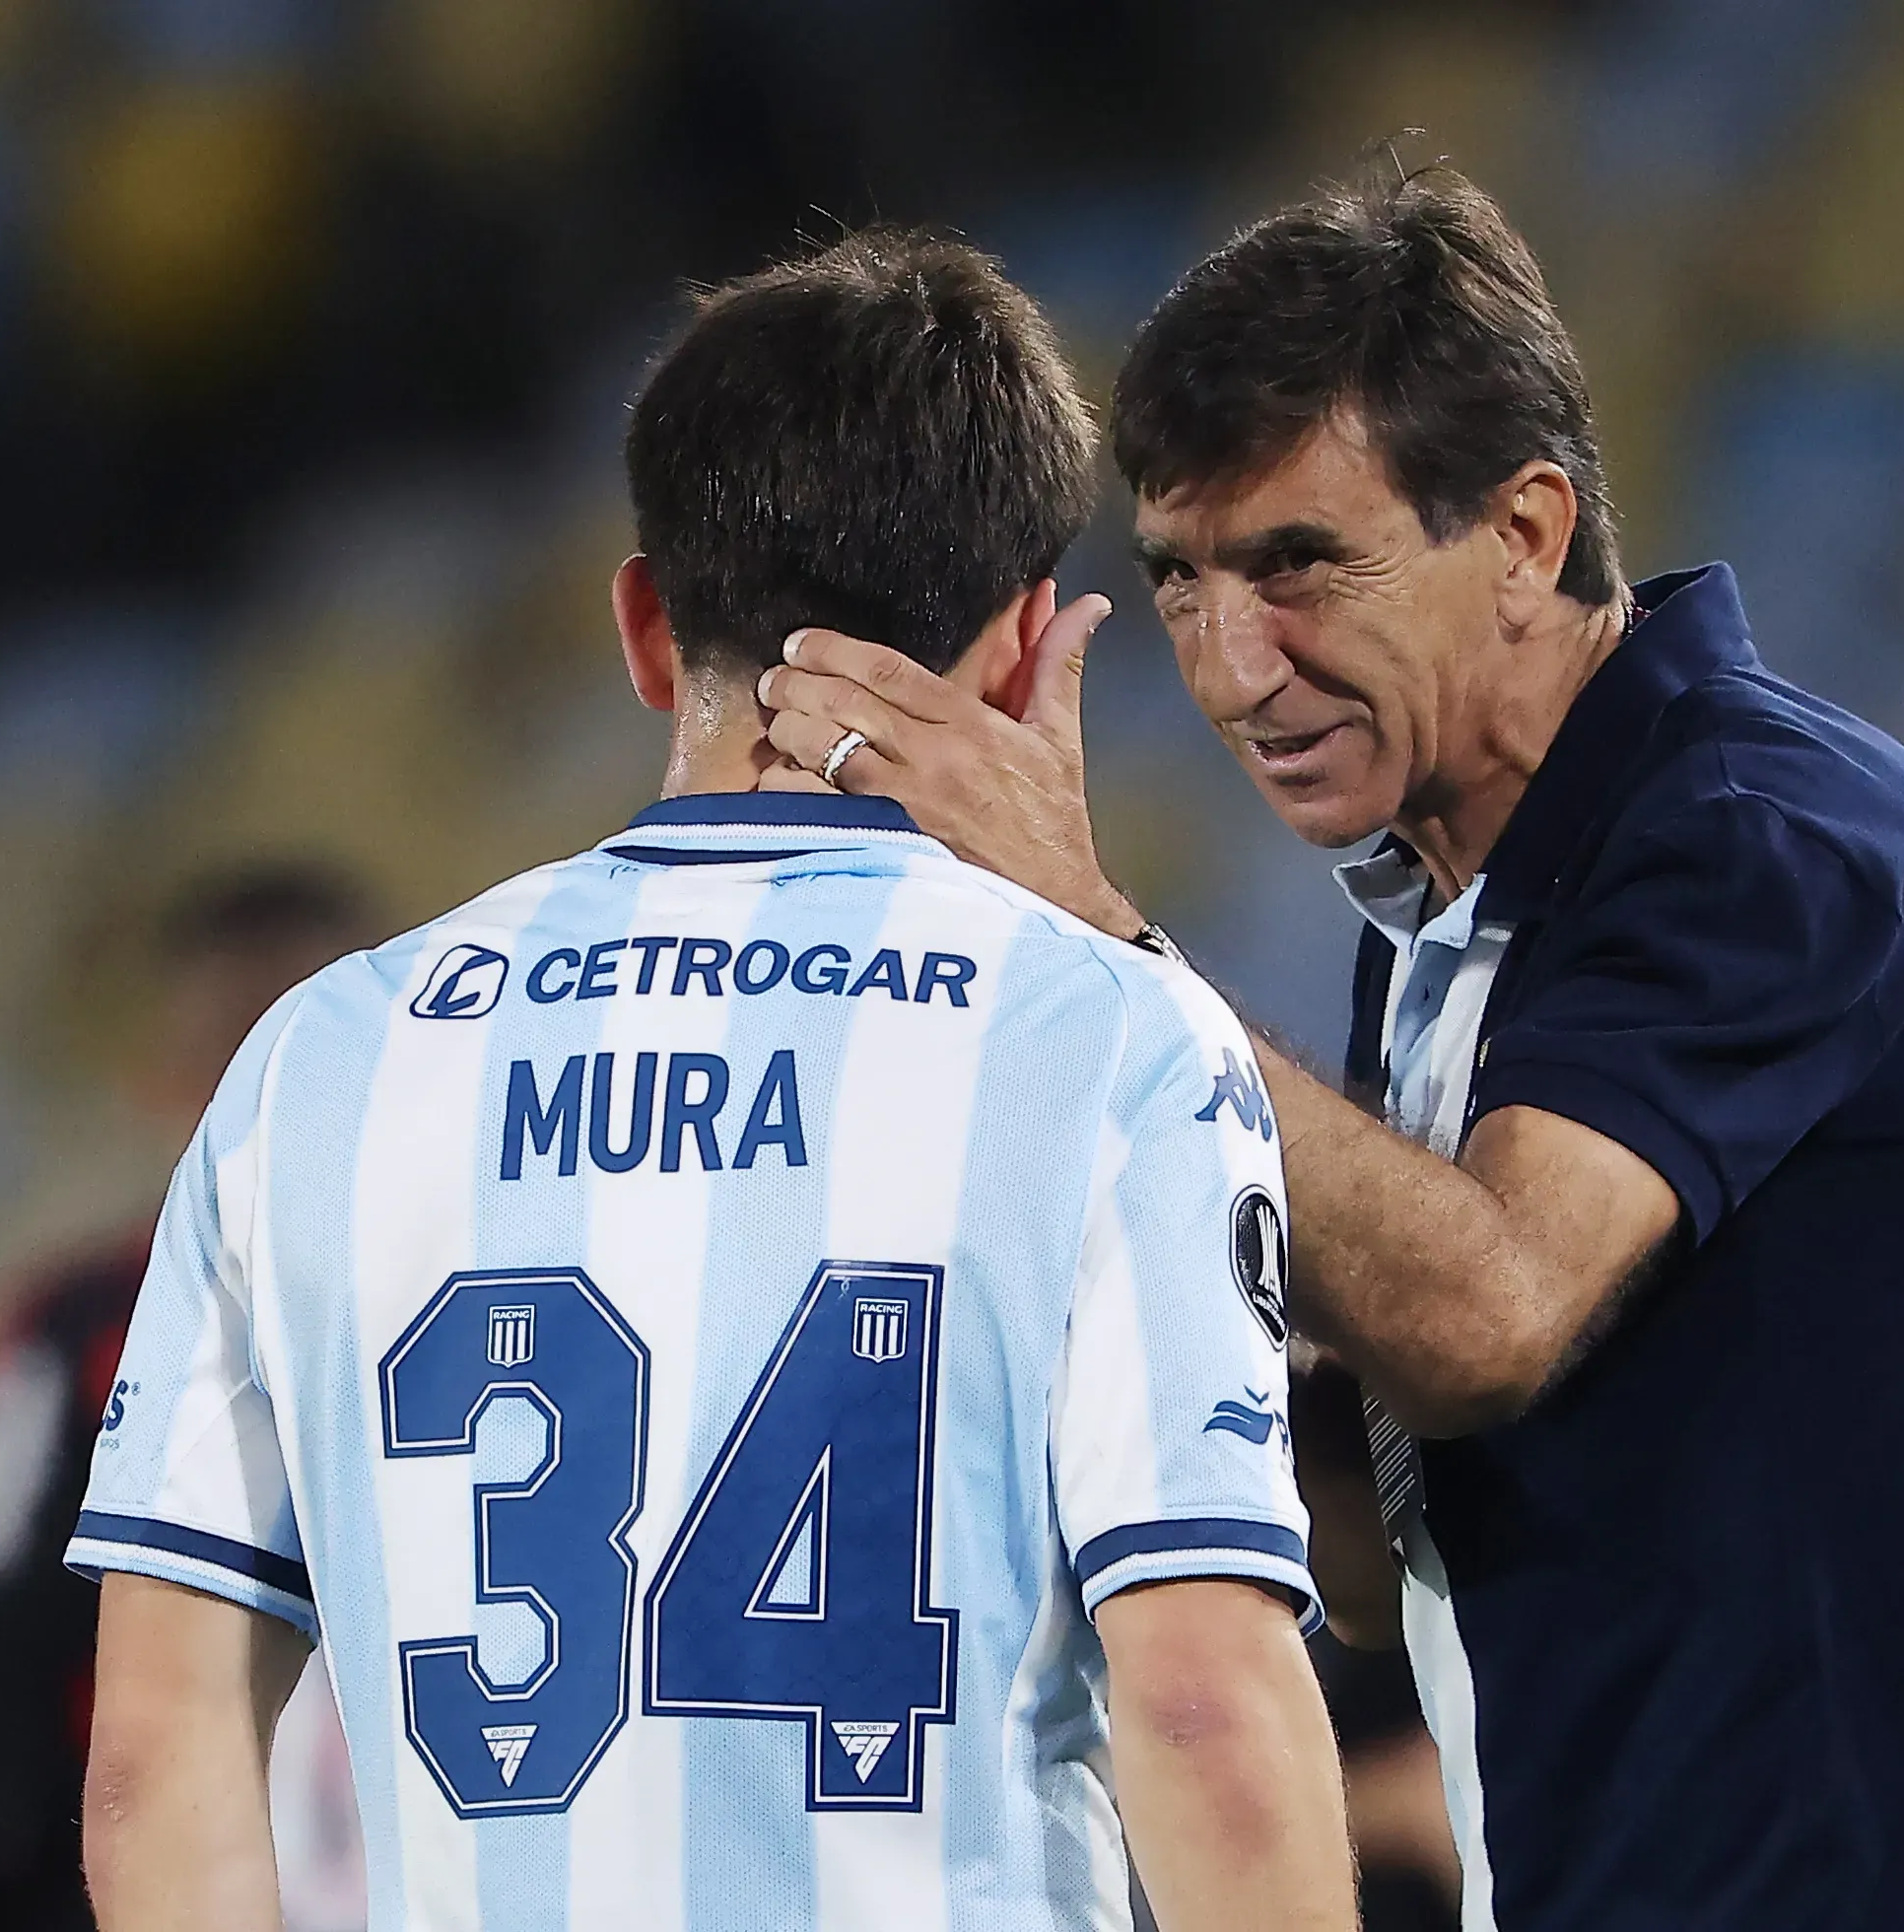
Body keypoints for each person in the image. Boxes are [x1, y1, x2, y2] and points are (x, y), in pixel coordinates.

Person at [758, 160, 1904, 1932]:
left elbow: (1488, 1311)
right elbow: (1375, 1572)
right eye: (1182, 583)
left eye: (1301, 569)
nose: (1233, 670)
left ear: (1523, 532)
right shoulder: (1453, 927)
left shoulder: (1759, 834)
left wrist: (1092, 946)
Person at [66, 229, 1355, 1932]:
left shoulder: (329, 1058)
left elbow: (155, 1764)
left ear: (643, 625)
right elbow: (1202, 1711)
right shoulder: (1103, 1040)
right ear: (1029, 640)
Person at [0, 865, 375, 1932]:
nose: (278, 1090)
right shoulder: (77, 1326)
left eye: (315, 1045)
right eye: (239, 1048)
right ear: (166, 1074)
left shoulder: (501, 1290)